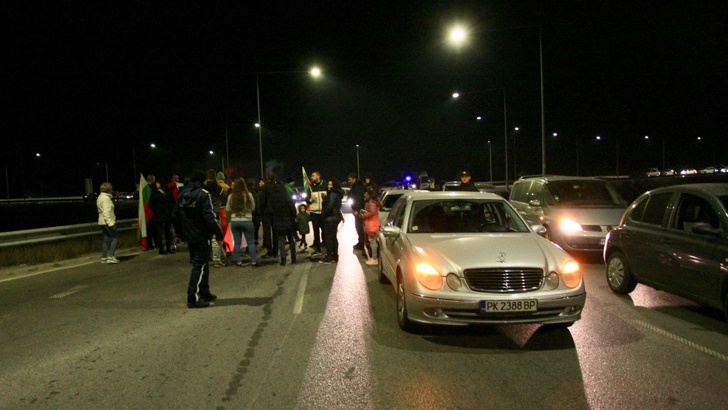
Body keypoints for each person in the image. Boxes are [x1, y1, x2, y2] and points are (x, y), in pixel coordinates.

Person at [173, 170, 224, 309]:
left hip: (189, 235)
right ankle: (193, 297)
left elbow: (175, 214)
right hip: (201, 234)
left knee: (203, 263)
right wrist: (219, 233)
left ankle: (204, 292)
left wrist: (180, 233)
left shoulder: (182, 194)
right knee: (199, 265)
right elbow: (209, 216)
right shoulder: (203, 194)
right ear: (204, 181)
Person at [226, 177, 258, 268]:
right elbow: (253, 208)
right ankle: (253, 262)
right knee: (251, 242)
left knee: (237, 242)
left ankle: (239, 262)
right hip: (247, 221)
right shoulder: (249, 195)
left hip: (235, 221)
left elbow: (228, 209)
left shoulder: (231, 196)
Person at [204, 169, 229, 267]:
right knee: (216, 237)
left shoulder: (203, 188)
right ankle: (217, 259)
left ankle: (208, 256)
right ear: (215, 177)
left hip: (204, 214)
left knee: (207, 237)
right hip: (214, 213)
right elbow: (224, 198)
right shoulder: (217, 188)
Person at [269, 180, 297, 266]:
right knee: (291, 239)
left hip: (277, 221)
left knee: (281, 240)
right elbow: (292, 208)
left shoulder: (273, 198)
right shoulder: (286, 197)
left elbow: (271, 210)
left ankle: (283, 259)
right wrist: (293, 216)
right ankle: (293, 258)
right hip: (288, 220)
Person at [320, 178, 344, 264]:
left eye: (331, 185)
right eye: (328, 184)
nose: (329, 186)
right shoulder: (334, 193)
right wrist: (325, 198)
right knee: (332, 237)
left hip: (330, 218)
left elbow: (330, 206)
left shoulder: (333, 194)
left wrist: (323, 214)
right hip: (333, 217)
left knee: (329, 237)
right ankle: (334, 256)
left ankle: (330, 256)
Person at [148, 180, 175, 254]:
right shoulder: (158, 192)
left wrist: (169, 210)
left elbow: (172, 202)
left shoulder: (165, 192)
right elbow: (151, 204)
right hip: (162, 215)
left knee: (164, 232)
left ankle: (165, 248)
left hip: (163, 215)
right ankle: (165, 248)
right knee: (163, 232)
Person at [97, 182, 119, 264]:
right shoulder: (106, 199)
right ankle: (111, 256)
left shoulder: (100, 197)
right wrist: (111, 223)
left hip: (101, 221)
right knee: (115, 237)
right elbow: (106, 212)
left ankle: (104, 257)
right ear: (109, 190)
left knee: (106, 239)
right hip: (107, 221)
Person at [306, 171, 327, 257]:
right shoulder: (310, 187)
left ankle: (325, 245)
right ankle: (317, 247)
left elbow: (329, 197)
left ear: (318, 177)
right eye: (311, 176)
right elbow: (307, 199)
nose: (311, 177)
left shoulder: (325, 185)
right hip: (314, 212)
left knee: (324, 230)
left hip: (323, 212)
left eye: (313, 176)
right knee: (316, 231)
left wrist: (325, 198)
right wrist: (311, 198)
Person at [259, 172, 279, 258]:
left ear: (267, 178)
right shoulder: (277, 187)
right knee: (275, 232)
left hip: (266, 213)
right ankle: (276, 251)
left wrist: (261, 211)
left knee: (267, 233)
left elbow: (262, 201)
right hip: (275, 212)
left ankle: (269, 251)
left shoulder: (264, 188)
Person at [361, 187, 382, 265]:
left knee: (372, 242)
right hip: (373, 223)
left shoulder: (371, 202)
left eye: (365, 193)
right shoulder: (373, 201)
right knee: (373, 241)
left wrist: (364, 215)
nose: (364, 195)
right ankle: (374, 257)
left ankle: (374, 258)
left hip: (372, 224)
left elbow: (372, 212)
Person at [347, 172, 366, 251]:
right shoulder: (355, 187)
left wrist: (356, 209)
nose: (349, 181)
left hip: (359, 210)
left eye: (350, 179)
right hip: (357, 209)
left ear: (354, 179)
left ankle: (361, 243)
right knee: (359, 227)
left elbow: (358, 199)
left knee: (359, 227)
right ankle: (361, 242)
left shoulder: (358, 187)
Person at [248, 177, 262, 246]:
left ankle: (250, 243)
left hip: (249, 213)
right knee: (255, 228)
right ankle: (255, 240)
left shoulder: (246, 192)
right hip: (256, 213)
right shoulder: (256, 192)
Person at [145, 174, 158, 250]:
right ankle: (152, 243)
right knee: (153, 229)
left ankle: (149, 244)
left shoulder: (146, 188)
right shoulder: (151, 188)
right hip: (151, 212)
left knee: (149, 230)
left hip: (148, 212)